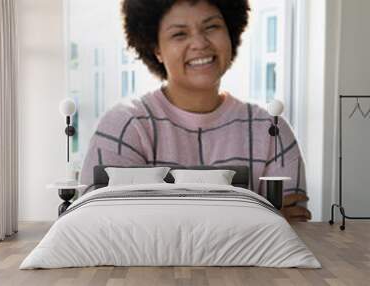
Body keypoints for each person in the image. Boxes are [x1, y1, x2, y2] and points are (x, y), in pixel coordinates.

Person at [80, 0, 310, 221]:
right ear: (156, 48)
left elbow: (292, 229)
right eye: (179, 34)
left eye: (211, 27)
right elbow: (101, 223)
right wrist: (259, 217)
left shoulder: (272, 130)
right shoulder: (125, 126)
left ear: (230, 32)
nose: (200, 43)